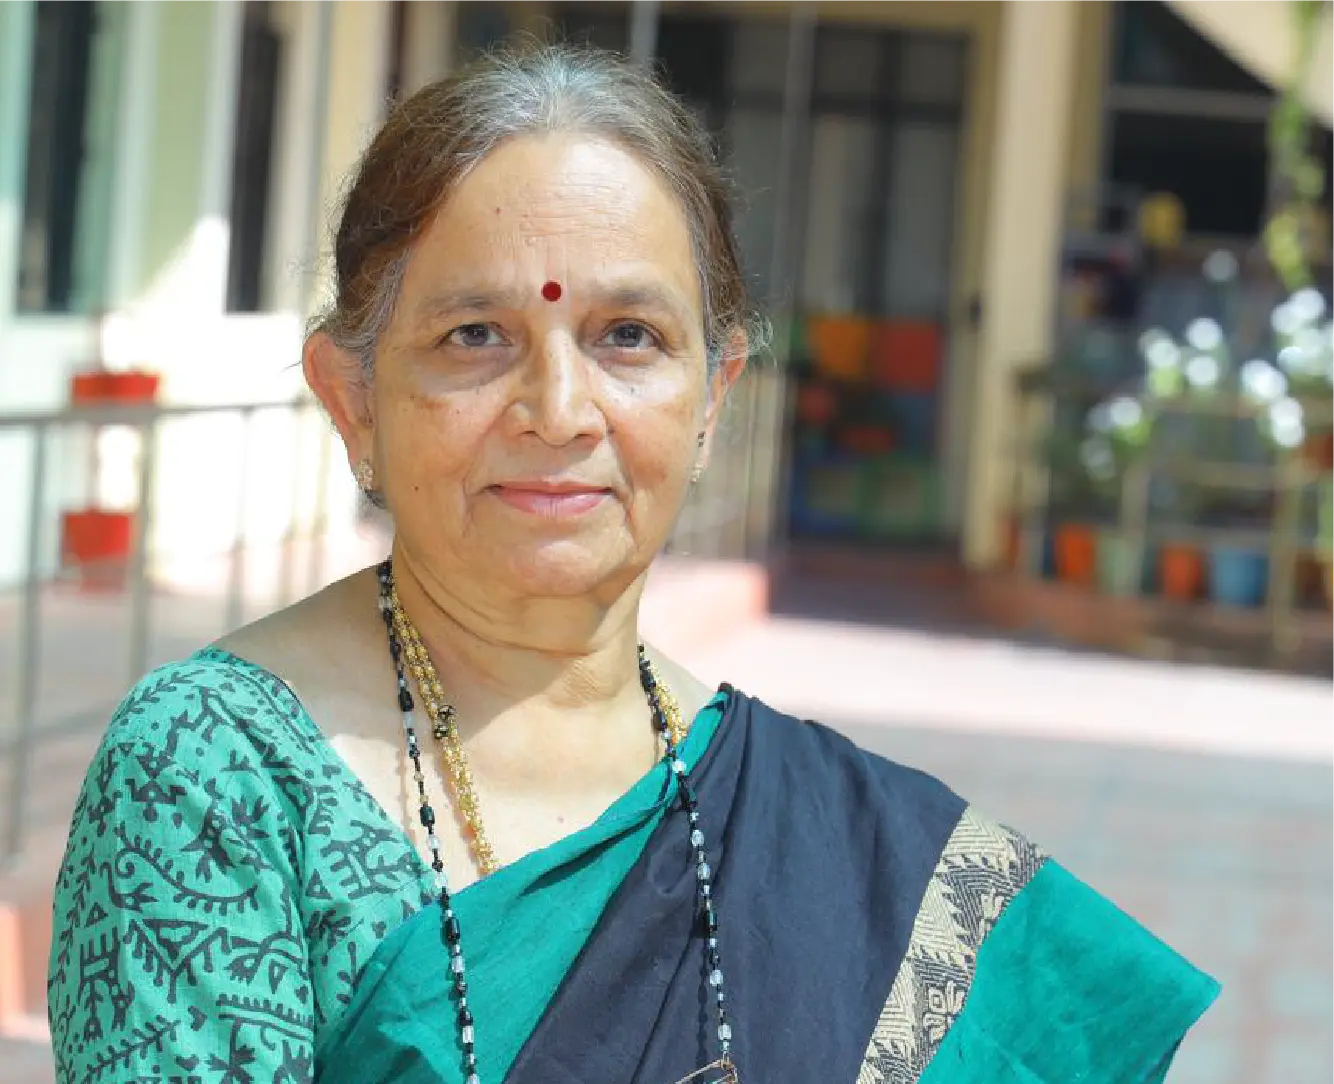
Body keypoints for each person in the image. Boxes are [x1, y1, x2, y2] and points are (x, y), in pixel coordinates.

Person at [46, 44, 1217, 1084]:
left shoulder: (812, 829)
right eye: (474, 336)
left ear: (712, 399)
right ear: (352, 397)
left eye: (628, 337)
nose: (558, 410)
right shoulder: (218, 773)